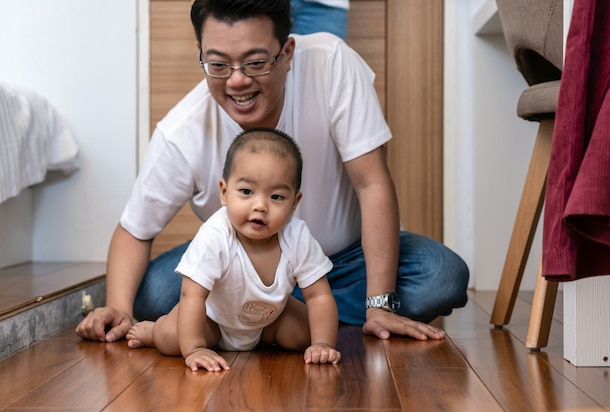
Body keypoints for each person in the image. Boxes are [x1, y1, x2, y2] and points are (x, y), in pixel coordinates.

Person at [75, 0, 469, 345]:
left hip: (346, 261)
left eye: (256, 62)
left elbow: (372, 183)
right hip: (239, 271)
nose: (237, 80)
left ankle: (268, 319)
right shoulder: (182, 132)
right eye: (218, 64)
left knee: (442, 276)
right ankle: (287, 318)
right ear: (200, 53)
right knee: (152, 295)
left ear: (288, 51)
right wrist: (119, 309)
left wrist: (380, 303)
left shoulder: (332, 63)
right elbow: (134, 230)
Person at [126, 128, 341, 371]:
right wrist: (195, 349)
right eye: (247, 192)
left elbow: (319, 296)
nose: (260, 206)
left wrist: (323, 343)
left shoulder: (297, 236)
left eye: (277, 197)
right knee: (171, 339)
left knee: (310, 332)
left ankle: (269, 337)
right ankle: (154, 330)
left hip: (269, 320)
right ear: (225, 193)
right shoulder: (216, 235)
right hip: (212, 320)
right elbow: (192, 295)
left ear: (294, 203)